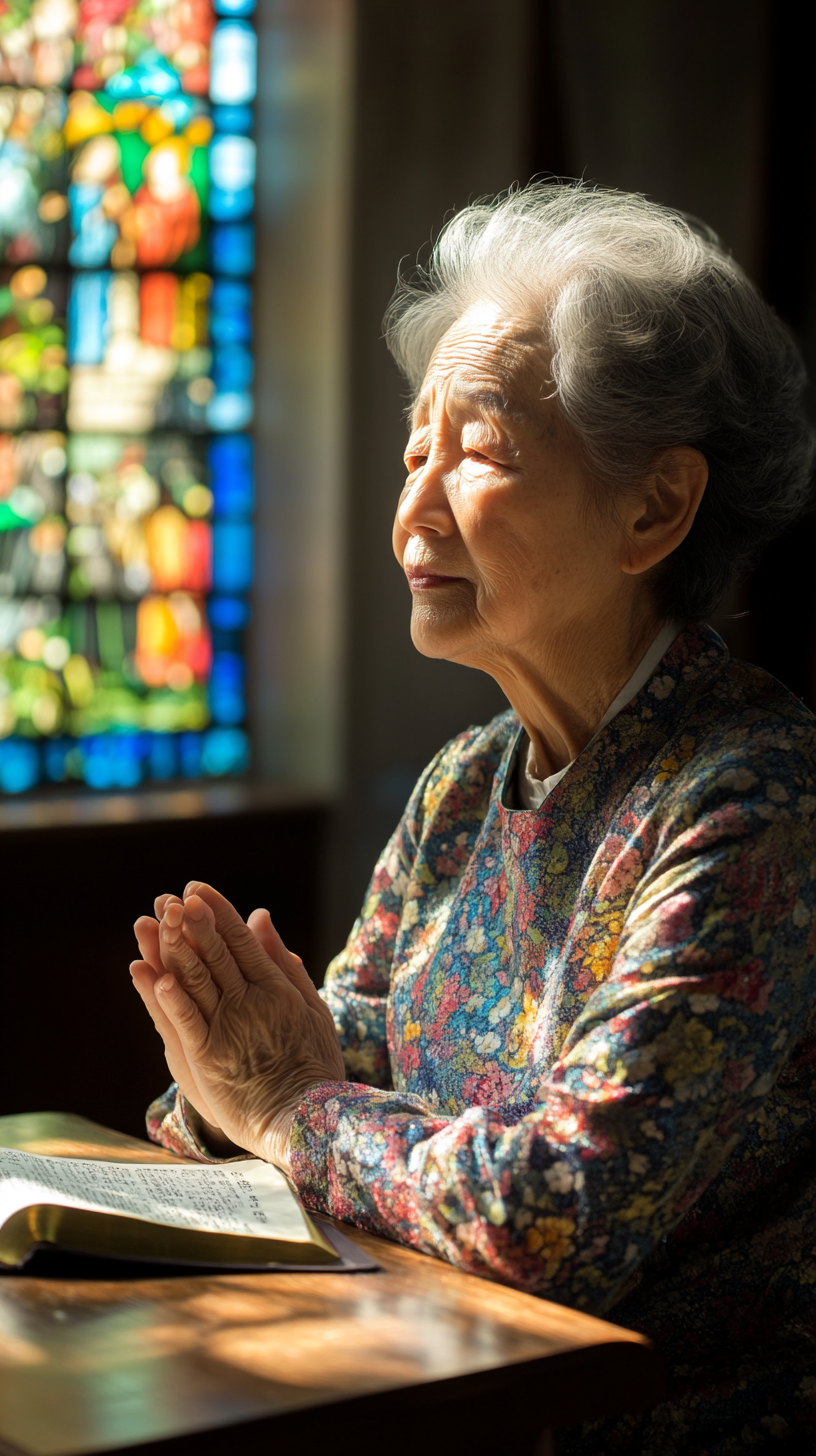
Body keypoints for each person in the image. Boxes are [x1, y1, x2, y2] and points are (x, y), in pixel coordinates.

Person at [131, 183, 816, 1454]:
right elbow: (343, 1052)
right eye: (412, 451)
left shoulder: (755, 804)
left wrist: (281, 1106)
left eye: (481, 449)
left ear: (654, 509)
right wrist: (219, 1070)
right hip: (421, 1384)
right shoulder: (462, 786)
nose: (416, 507)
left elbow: (551, 1217)